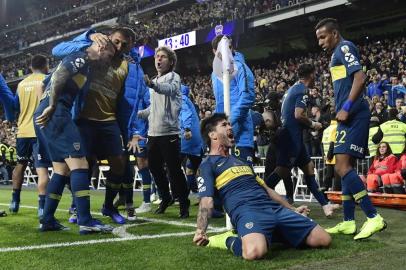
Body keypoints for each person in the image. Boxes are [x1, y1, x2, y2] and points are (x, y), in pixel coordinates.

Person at [193, 113, 331, 260]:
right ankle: (228, 239)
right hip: (247, 211)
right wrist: (200, 230)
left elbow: (267, 189)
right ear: (213, 135)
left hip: (273, 208)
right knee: (254, 252)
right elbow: (206, 200)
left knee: (323, 239)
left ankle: (271, 234)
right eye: (224, 125)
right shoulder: (207, 164)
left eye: (229, 124)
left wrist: (292, 209)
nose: (230, 126)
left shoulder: (241, 162)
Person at [52, 27, 141, 223]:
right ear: (109, 37)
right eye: (116, 41)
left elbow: (132, 103)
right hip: (84, 118)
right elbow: (57, 50)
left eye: (125, 45)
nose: (119, 47)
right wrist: (87, 36)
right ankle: (77, 208)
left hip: (109, 121)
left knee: (119, 162)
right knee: (85, 164)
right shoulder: (95, 48)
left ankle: (108, 207)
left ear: (131, 46)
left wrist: (133, 129)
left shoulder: (131, 67)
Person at [316, 18, 386, 240]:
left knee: (343, 166)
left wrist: (346, 106)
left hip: (354, 114)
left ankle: (373, 216)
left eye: (323, 37)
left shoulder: (344, 47)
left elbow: (360, 76)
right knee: (341, 167)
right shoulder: (336, 54)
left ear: (334, 34)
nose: (320, 42)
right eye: (318, 38)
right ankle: (348, 221)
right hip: (347, 117)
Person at [34, 41, 115, 234]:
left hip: (47, 114)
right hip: (56, 112)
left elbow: (44, 83)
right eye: (110, 56)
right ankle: (85, 220)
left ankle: (47, 219)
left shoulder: (85, 65)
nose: (109, 61)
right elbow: (60, 76)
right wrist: (52, 105)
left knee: (61, 170)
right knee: (80, 166)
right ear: (101, 48)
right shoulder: (82, 56)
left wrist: (45, 105)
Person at [265, 63, 339, 217]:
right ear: (311, 74)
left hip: (293, 137)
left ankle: (325, 206)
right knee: (281, 171)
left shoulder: (292, 89)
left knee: (309, 168)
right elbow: (298, 115)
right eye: (315, 74)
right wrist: (313, 124)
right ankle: (255, 199)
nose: (316, 77)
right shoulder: (302, 90)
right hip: (291, 139)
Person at [138, 46, 190, 218]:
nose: (158, 59)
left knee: (174, 170)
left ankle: (183, 201)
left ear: (171, 61)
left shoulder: (174, 78)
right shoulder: (154, 81)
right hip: (153, 134)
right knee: (154, 168)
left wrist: (153, 85)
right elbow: (153, 109)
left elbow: (169, 90)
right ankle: (165, 197)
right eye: (156, 57)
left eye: (163, 57)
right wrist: (137, 114)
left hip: (169, 133)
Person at [0, 55, 52, 217]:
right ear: (46, 66)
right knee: (42, 168)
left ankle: (15, 201)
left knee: (20, 165)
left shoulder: (22, 84)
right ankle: (42, 206)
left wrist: (9, 118)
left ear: (30, 67)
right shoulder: (47, 79)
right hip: (39, 130)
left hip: (23, 131)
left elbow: (14, 106)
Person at [211, 35, 256, 165]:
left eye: (229, 47)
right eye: (223, 48)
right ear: (214, 51)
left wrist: (229, 121)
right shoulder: (215, 74)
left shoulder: (240, 67)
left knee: (244, 181)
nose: (227, 51)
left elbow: (248, 97)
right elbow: (220, 102)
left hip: (241, 137)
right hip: (222, 136)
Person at [179, 84, 204, 193]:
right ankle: (201, 192)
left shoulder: (181, 99)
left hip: (186, 139)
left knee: (173, 166)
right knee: (193, 168)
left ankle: (178, 193)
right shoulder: (189, 101)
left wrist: (187, 129)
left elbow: (185, 114)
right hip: (197, 142)